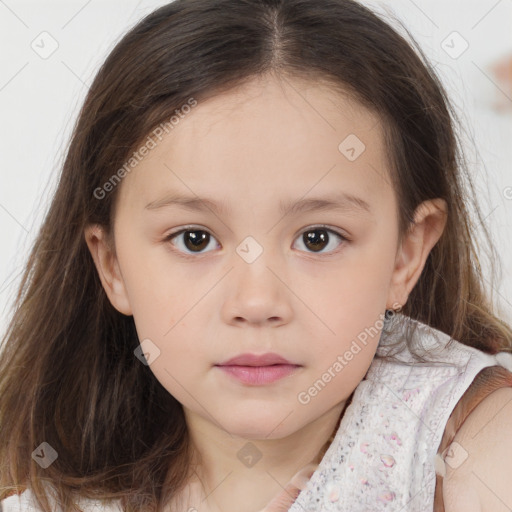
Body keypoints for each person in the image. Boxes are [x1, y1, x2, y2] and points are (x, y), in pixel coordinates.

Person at [0, 0, 511, 511]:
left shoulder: (476, 450)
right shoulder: (47, 496)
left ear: (407, 254)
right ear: (112, 266)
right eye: (194, 239)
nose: (257, 301)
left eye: (318, 238)